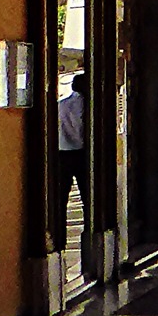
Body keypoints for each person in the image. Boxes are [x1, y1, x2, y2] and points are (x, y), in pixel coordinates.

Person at [54, 68, 87, 246]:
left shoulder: (61, 104)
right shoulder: (88, 106)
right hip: (81, 154)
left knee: (60, 201)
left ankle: (59, 241)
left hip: (62, 153)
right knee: (88, 199)